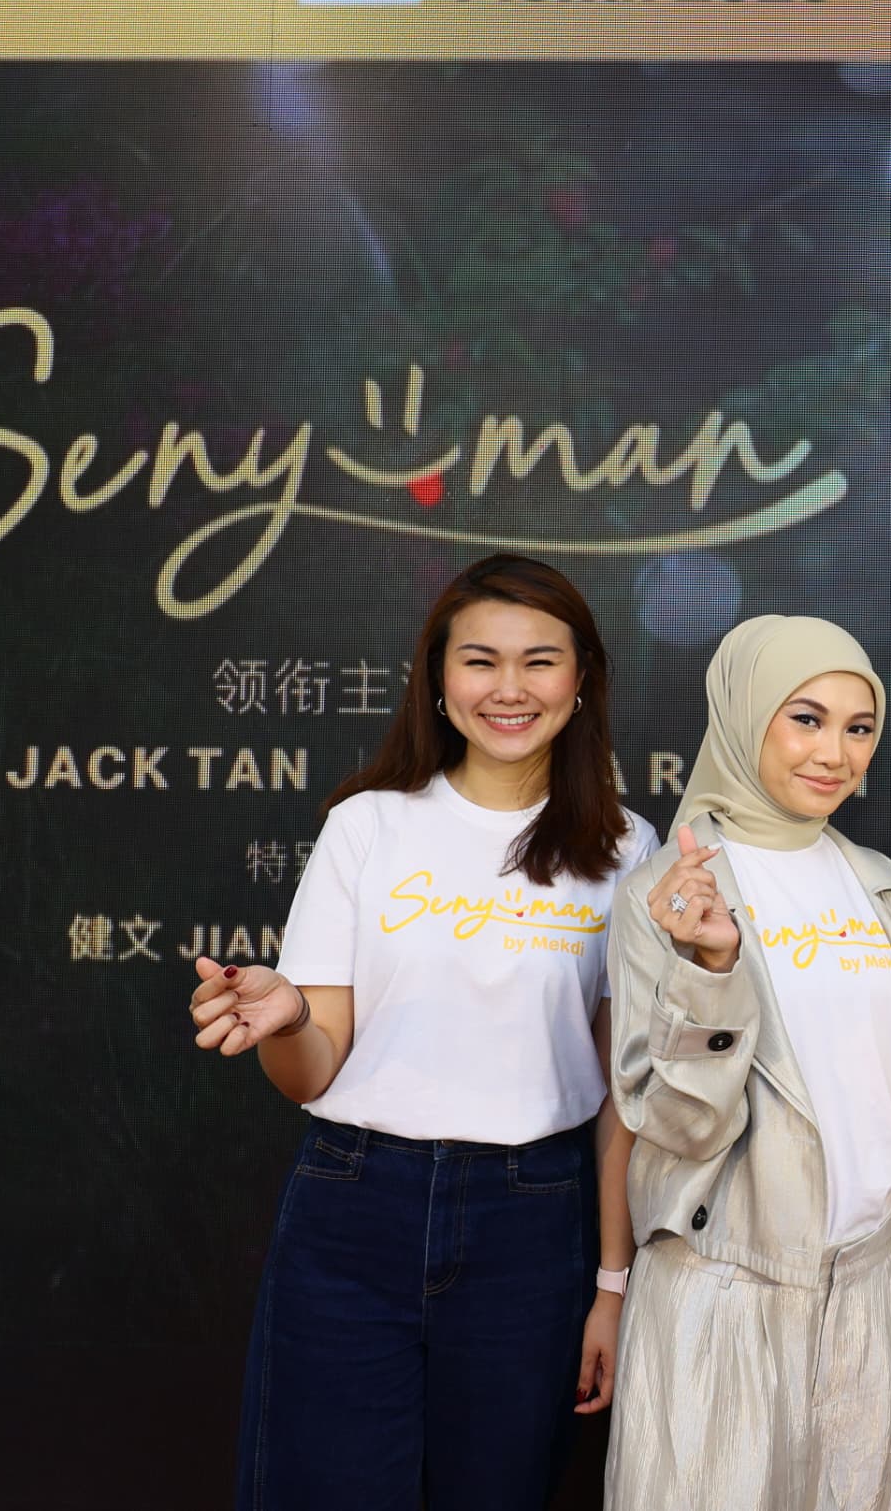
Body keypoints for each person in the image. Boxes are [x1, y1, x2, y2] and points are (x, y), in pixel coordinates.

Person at [186, 553, 656, 1510]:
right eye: (480, 660)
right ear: (438, 680)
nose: (510, 689)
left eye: (540, 661)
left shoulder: (625, 850)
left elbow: (624, 1095)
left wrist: (614, 1284)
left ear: (581, 681)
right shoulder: (368, 826)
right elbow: (309, 1073)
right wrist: (288, 1017)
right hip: (355, 1202)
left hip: (534, 1218)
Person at [603, 615, 891, 1511]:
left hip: (880, 1288)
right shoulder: (666, 893)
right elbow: (675, 1122)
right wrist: (710, 969)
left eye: (859, 727)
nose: (835, 754)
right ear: (744, 715)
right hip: (721, 1292)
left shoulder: (879, 884)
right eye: (806, 718)